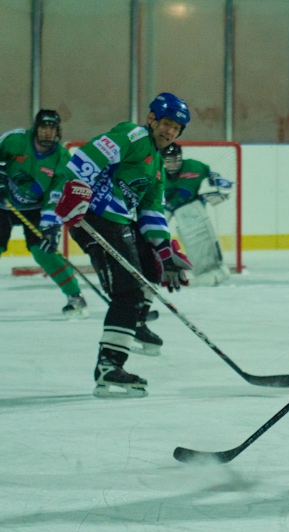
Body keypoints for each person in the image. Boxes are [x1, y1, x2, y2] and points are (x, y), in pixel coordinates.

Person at [54, 93, 193, 398]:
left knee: (153, 265)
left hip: (118, 222)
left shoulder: (156, 165)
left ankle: (135, 322)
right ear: (151, 119)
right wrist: (73, 190)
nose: (170, 131)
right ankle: (109, 365)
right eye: (166, 123)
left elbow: (151, 210)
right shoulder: (134, 135)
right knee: (128, 290)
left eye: (176, 127)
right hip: (95, 217)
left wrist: (165, 251)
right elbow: (87, 157)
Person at [0, 109, 89, 318]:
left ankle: (75, 297)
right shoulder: (15, 140)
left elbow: (55, 196)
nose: (47, 133)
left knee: (43, 251)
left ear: (58, 131)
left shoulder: (61, 158)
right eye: (43, 127)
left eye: (52, 128)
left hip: (35, 208)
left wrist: (50, 227)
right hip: (2, 203)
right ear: (35, 128)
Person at [161, 143, 233, 285]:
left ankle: (209, 270)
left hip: (187, 205)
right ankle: (144, 269)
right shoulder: (153, 169)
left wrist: (217, 184)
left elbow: (214, 177)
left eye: (176, 160)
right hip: (160, 205)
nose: (173, 165)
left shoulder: (195, 167)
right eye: (168, 161)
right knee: (149, 234)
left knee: (196, 234)